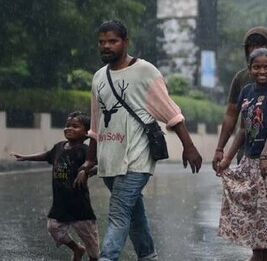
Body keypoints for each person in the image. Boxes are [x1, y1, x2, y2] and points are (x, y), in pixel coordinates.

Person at [74, 20, 202, 261]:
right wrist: (90, 161)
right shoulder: (98, 78)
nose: (106, 46)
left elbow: (171, 113)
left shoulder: (146, 71)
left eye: (112, 41)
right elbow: (96, 125)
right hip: (109, 159)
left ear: (126, 42)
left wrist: (189, 147)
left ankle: (107, 258)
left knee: (119, 212)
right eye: (102, 42)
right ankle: (148, 256)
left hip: (136, 158)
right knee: (133, 213)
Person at [212, 26, 267, 259]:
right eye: (252, 49)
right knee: (256, 203)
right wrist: (224, 152)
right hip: (250, 153)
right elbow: (238, 121)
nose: (262, 70)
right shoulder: (243, 83)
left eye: (266, 64)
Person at [11, 111, 99, 261]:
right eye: (67, 125)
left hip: (80, 205)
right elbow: (46, 155)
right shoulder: (59, 147)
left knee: (92, 244)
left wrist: (87, 172)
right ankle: (76, 248)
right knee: (53, 228)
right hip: (61, 203)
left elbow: (96, 165)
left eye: (75, 126)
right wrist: (26, 157)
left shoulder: (85, 151)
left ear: (86, 133)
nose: (69, 128)